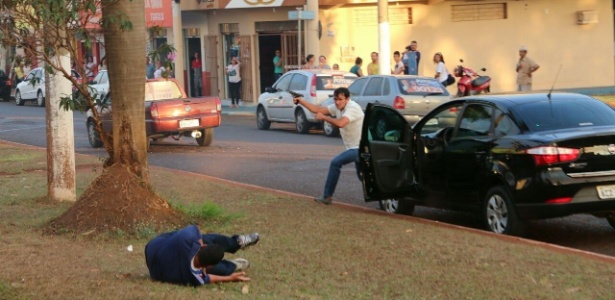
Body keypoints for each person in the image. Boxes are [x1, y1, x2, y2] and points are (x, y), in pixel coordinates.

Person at [293, 87, 364, 205]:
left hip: (359, 147)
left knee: (335, 163)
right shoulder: (337, 107)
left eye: (340, 99)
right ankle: (385, 196)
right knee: (363, 176)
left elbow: (341, 123)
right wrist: (301, 101)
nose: (337, 102)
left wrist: (325, 118)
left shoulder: (353, 107)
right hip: (354, 148)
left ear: (347, 99)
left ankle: (327, 196)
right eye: (335, 99)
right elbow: (318, 109)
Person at [145, 225, 259, 286]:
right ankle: (234, 263)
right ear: (209, 266)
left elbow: (194, 228)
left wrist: (201, 243)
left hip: (152, 249)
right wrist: (230, 278)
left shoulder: (187, 238)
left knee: (205, 239)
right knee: (209, 240)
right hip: (156, 254)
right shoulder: (194, 278)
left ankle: (237, 243)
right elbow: (209, 277)